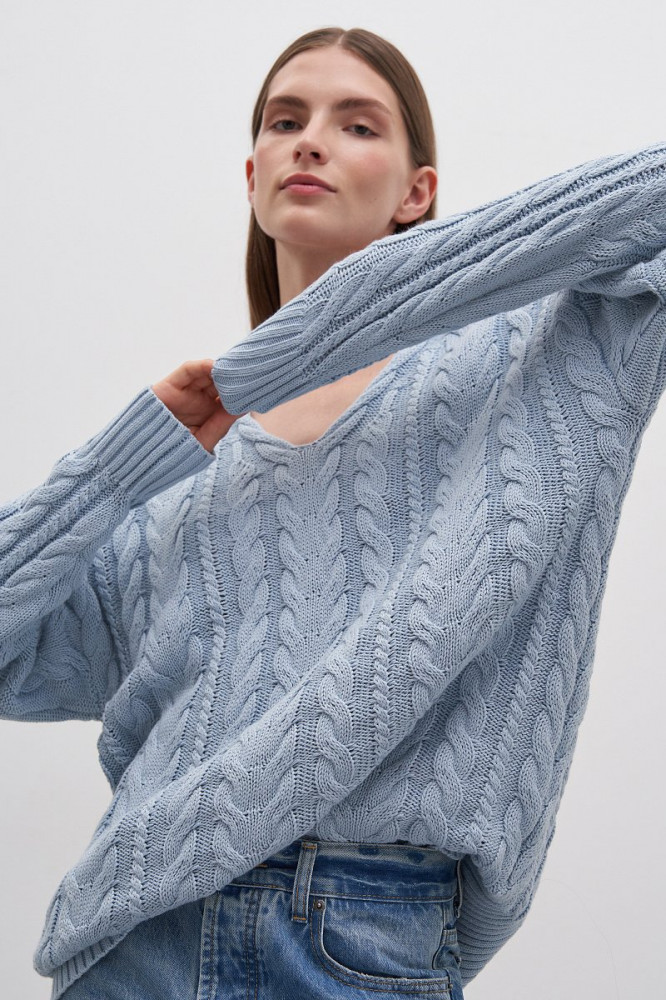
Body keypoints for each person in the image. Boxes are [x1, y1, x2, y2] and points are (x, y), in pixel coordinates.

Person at [1, 24, 665, 1000]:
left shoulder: (535, 369)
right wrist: (116, 466)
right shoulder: (174, 480)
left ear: (418, 192)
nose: (310, 140)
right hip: (133, 944)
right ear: (253, 175)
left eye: (357, 125)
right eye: (284, 121)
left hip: (364, 936)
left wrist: (318, 332)